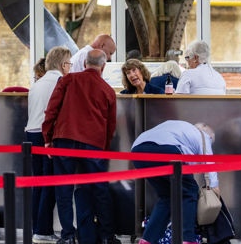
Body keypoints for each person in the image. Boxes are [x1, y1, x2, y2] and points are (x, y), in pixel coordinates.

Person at [42, 49, 117, 244]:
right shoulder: (108, 90)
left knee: (64, 189)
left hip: (64, 139)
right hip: (93, 144)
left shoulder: (67, 80)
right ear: (103, 66)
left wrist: (48, 137)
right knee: (99, 189)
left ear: (84, 63)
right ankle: (107, 235)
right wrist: (104, 148)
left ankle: (67, 236)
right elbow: (111, 124)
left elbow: (52, 110)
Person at [132, 121, 218, 244]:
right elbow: (209, 162)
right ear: (209, 136)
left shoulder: (180, 128)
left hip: (137, 150)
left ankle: (147, 240)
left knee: (167, 197)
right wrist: (214, 187)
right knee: (190, 192)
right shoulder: (204, 136)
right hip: (166, 150)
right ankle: (187, 239)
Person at [25, 46, 71, 244]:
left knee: (38, 184)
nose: (70, 67)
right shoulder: (60, 82)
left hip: (30, 133)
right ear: (62, 65)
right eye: (69, 64)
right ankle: (43, 230)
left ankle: (37, 228)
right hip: (47, 137)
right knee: (50, 184)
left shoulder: (38, 82)